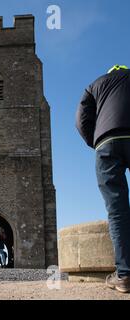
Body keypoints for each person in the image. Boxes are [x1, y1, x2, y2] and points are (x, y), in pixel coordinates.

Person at [76, 64, 130, 293]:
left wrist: (94, 141)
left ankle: (125, 276)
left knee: (117, 209)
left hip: (107, 142)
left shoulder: (95, 84)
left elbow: (81, 119)